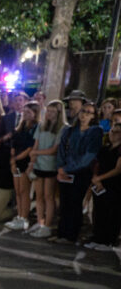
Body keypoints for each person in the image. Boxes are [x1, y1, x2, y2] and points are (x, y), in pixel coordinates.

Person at [56, 101, 103, 243]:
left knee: (74, 203)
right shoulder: (70, 130)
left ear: (93, 116)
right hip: (64, 170)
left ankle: (70, 235)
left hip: (81, 172)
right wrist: (60, 167)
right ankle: (61, 233)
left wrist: (68, 168)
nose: (84, 115)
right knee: (64, 202)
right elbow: (61, 149)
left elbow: (89, 155)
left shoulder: (96, 131)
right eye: (83, 111)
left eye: (89, 112)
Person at [27, 100, 65, 239]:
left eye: (53, 111)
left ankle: (47, 225)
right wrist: (32, 162)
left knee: (49, 196)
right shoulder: (41, 126)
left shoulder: (62, 128)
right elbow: (35, 144)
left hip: (50, 166)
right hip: (38, 165)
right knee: (39, 196)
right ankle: (39, 222)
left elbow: (54, 150)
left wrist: (36, 154)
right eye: (48, 111)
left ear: (59, 113)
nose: (49, 114)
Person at [5, 102, 39, 231]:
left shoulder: (35, 128)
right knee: (18, 191)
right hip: (16, 162)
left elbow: (30, 147)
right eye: (24, 112)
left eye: (29, 112)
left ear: (35, 113)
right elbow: (13, 144)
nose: (25, 114)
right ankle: (19, 216)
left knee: (24, 192)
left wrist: (16, 158)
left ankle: (24, 217)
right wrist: (13, 161)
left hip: (25, 162)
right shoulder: (20, 127)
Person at [87, 119, 121, 250]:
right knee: (99, 211)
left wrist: (100, 178)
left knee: (111, 213)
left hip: (114, 185)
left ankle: (108, 241)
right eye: (113, 131)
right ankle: (98, 237)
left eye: (118, 132)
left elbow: (118, 169)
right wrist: (96, 178)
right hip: (100, 184)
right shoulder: (105, 148)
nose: (114, 134)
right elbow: (97, 164)